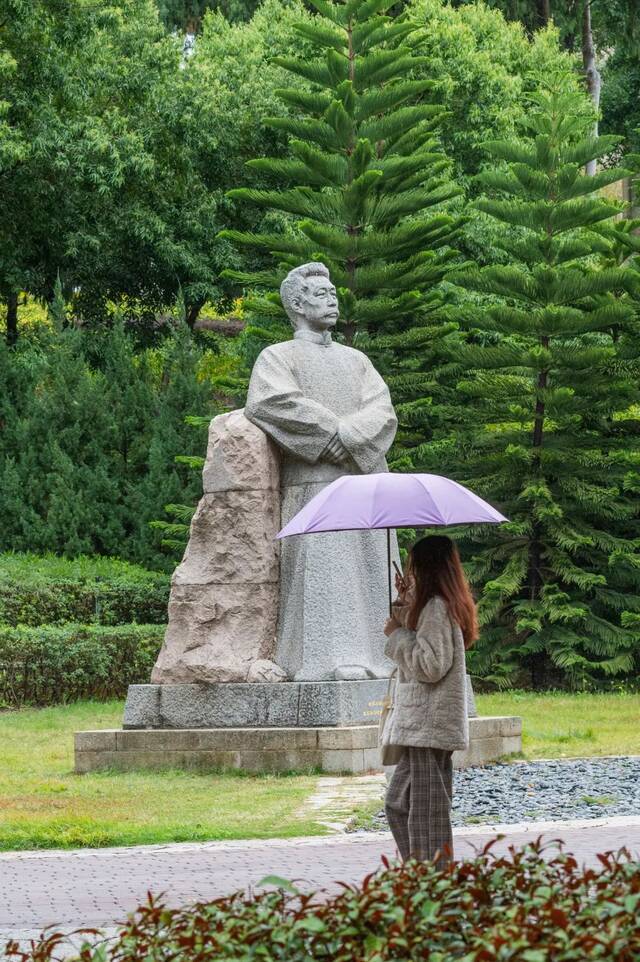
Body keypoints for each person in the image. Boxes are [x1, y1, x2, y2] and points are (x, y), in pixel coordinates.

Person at [382, 535, 478, 865]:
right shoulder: (435, 605)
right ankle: (426, 878)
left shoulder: (437, 606)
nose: (409, 571)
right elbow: (420, 635)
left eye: (413, 565)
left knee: (423, 813)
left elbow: (430, 664)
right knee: (401, 804)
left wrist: (396, 635)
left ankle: (430, 883)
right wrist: (405, 601)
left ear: (426, 567)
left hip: (428, 725)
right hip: (423, 726)